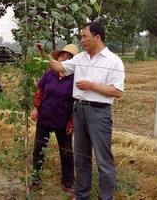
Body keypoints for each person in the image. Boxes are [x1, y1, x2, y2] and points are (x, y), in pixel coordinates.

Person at [49, 22, 125, 200]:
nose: (81, 40)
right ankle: (82, 195)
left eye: (84, 36)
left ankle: (106, 198)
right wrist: (43, 55)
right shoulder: (80, 58)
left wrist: (92, 86)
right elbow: (60, 67)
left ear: (97, 37)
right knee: (81, 157)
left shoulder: (113, 61)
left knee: (103, 160)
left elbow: (117, 91)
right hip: (79, 110)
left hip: (99, 113)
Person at [30, 44, 78, 194]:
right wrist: (36, 107)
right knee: (39, 148)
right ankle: (36, 176)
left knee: (66, 152)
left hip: (63, 120)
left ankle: (68, 182)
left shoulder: (75, 79)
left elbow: (77, 102)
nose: (65, 58)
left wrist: (72, 121)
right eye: (63, 55)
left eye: (69, 57)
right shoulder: (49, 74)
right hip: (45, 117)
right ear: (58, 57)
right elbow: (40, 90)